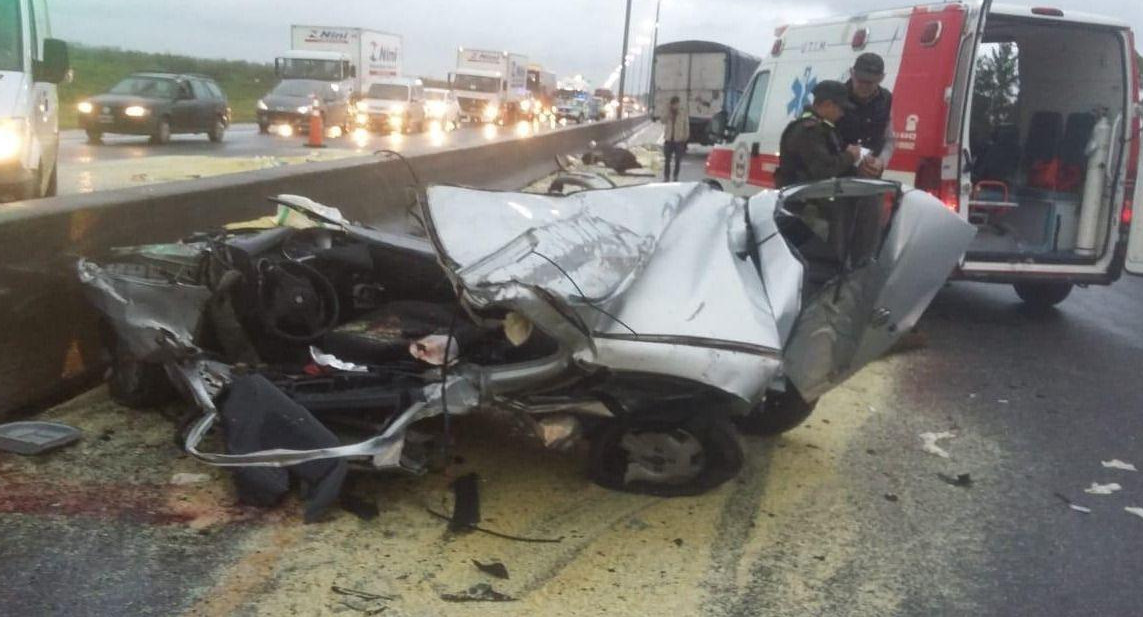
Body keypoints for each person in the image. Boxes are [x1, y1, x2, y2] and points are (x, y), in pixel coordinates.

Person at [774, 80, 863, 188]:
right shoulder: (808, 131)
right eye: (840, 109)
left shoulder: (822, 128)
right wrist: (850, 156)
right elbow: (824, 169)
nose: (842, 114)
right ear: (827, 104)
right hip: (804, 200)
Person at [836, 52, 895, 179]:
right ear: (852, 73)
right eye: (860, 80)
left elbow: (889, 139)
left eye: (870, 82)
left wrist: (881, 162)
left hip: (870, 180)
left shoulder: (886, 99)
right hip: (838, 178)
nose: (864, 86)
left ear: (881, 78)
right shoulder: (836, 97)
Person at [662, 96, 690, 181]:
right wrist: (668, 112)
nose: (676, 106)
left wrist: (685, 137)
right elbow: (662, 120)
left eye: (677, 104)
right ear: (672, 104)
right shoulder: (668, 112)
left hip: (679, 140)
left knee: (678, 160)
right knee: (667, 160)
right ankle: (666, 177)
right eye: (674, 104)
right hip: (669, 139)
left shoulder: (682, 112)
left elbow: (686, 125)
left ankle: (675, 176)